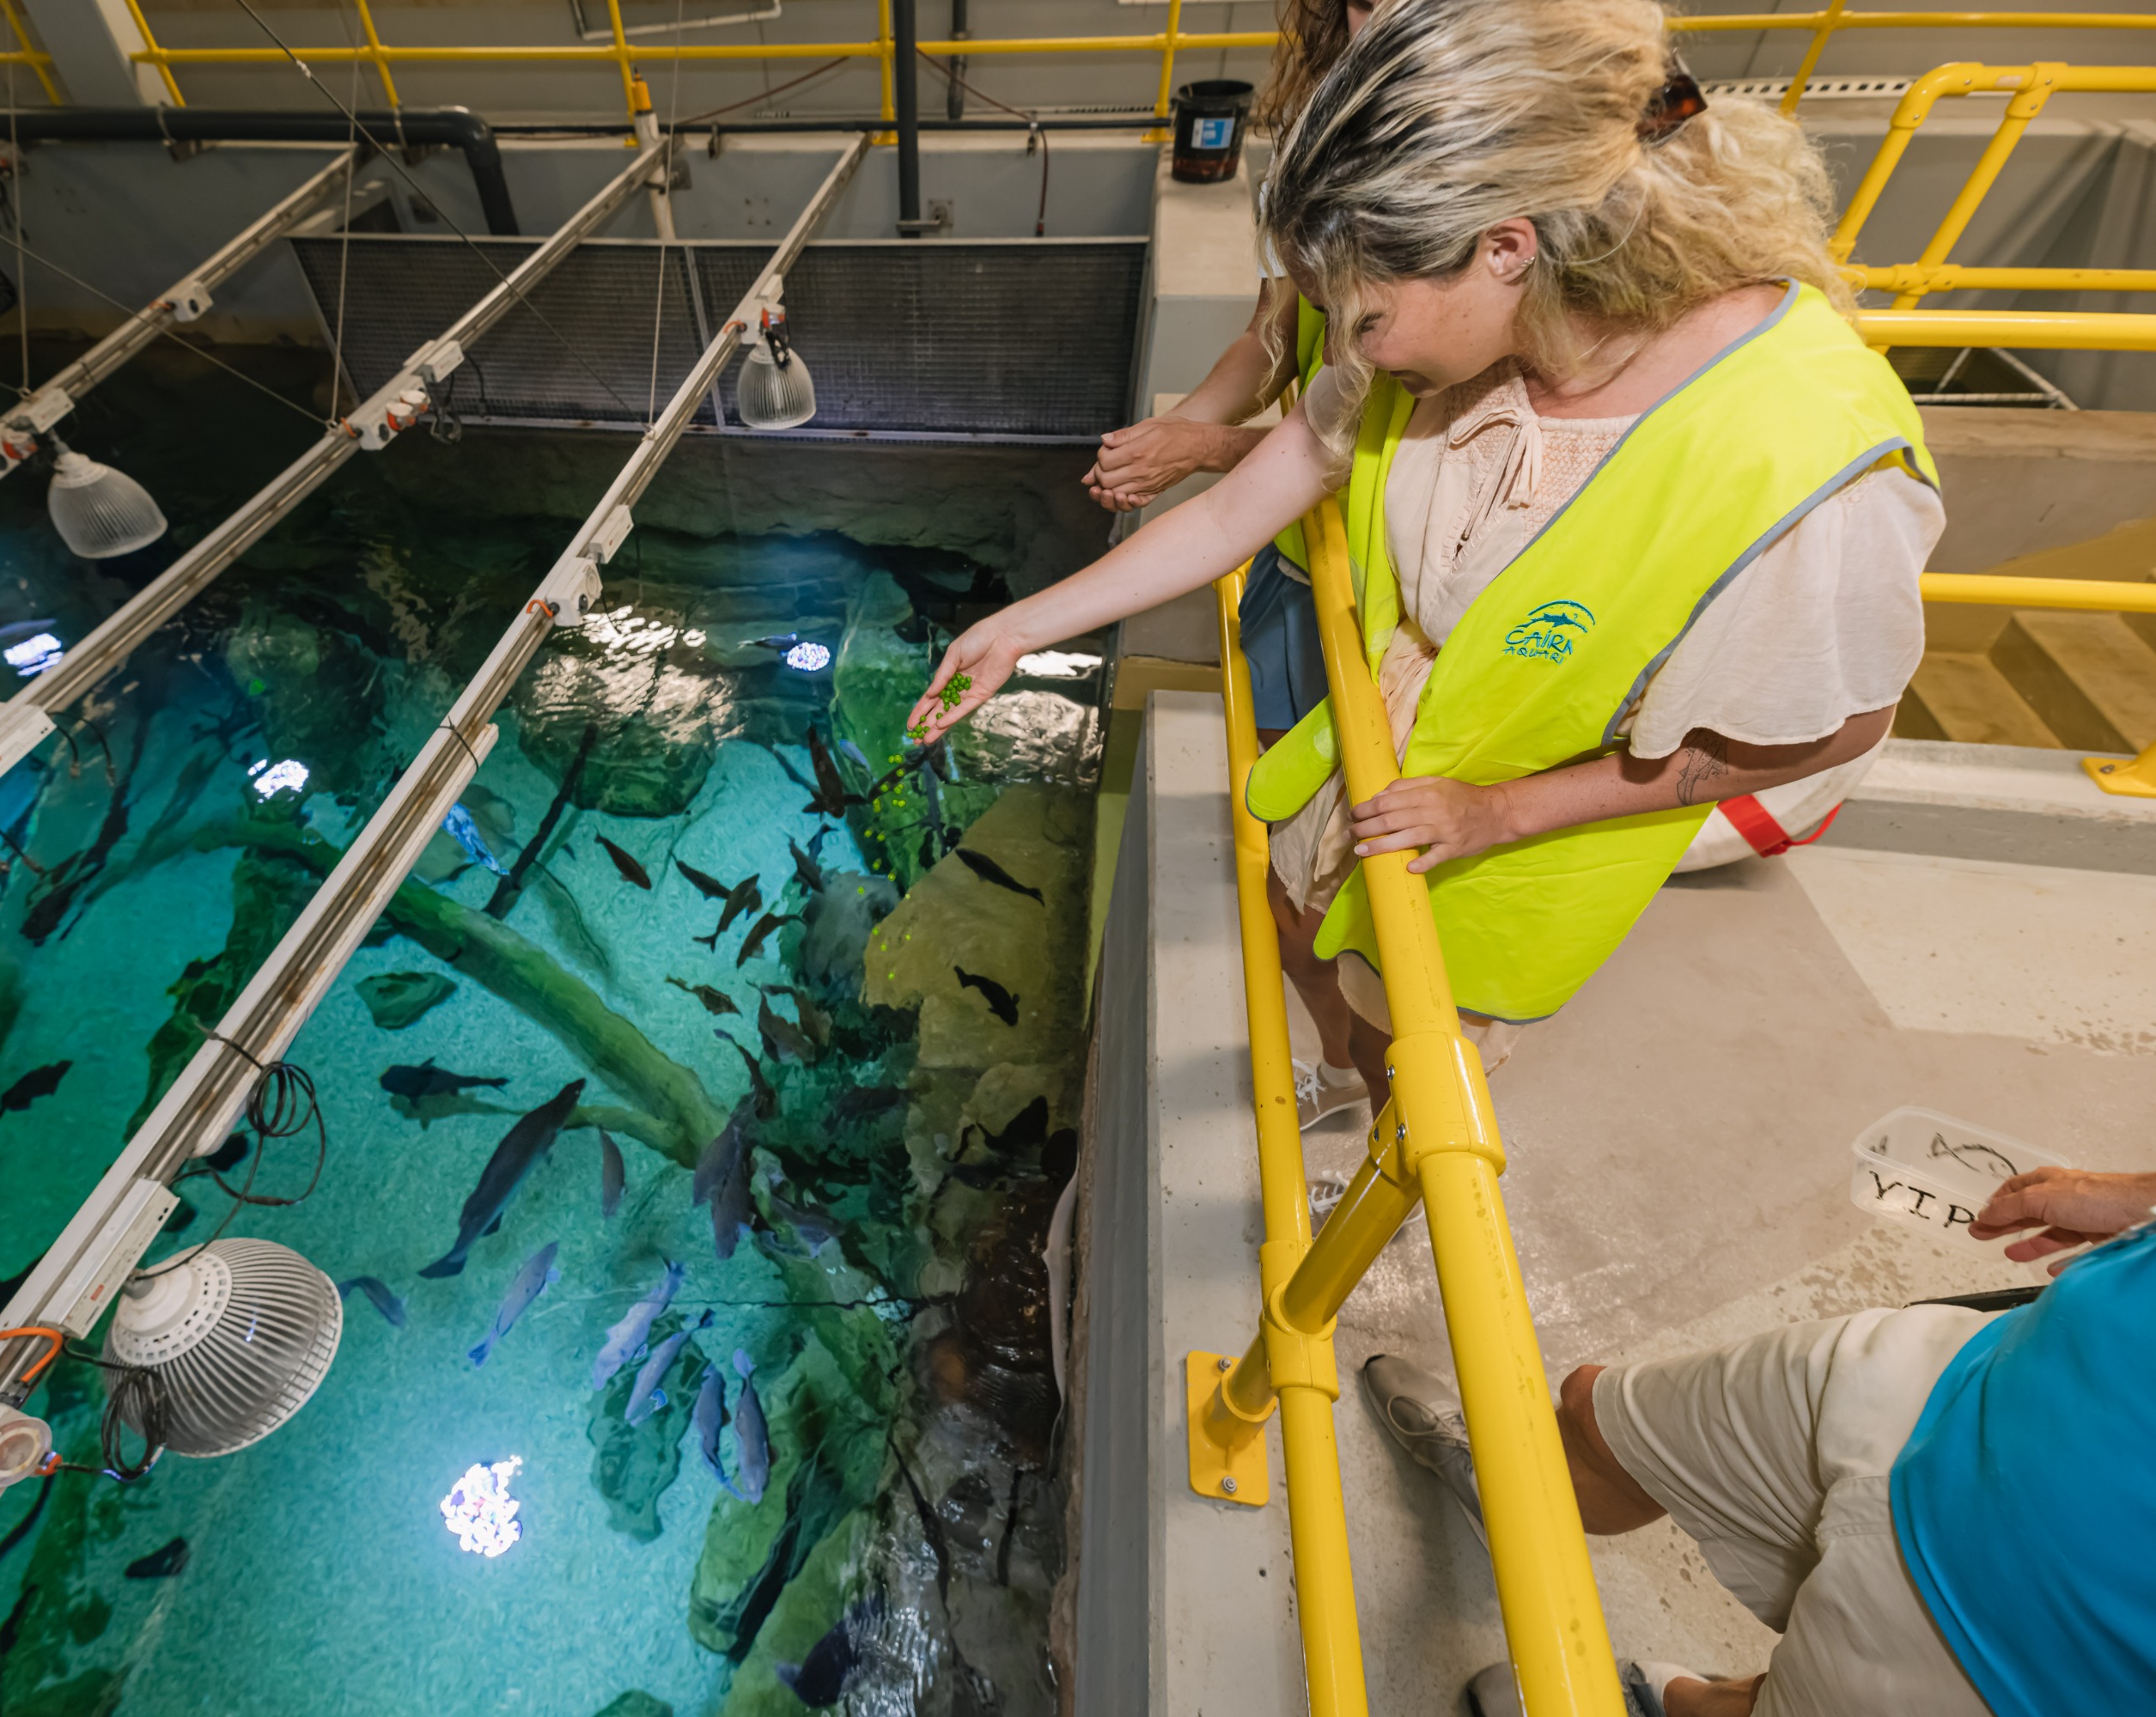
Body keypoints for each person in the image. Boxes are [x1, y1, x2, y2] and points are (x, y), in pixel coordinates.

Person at [909, 0, 1940, 1111]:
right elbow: (1232, 512)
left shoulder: (1807, 470)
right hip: (1379, 751)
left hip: (1520, 833)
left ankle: (1385, 1156)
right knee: (1309, 943)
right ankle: (1342, 1072)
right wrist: (1018, 626)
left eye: (1367, 316)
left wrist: (1500, 814)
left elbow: (1838, 728)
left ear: (1505, 247)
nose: (1347, 348)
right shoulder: (1479, 327)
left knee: (1426, 1052)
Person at [1366, 1163, 2156, 1717]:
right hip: (1988, 1373)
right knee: (1591, 1418)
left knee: (1783, 1693)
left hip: (2027, 1650)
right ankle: (1502, 1483)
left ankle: (1686, 1704)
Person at [1084, 0, 1381, 1132]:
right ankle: (1343, 1064)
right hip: (1292, 578)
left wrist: (1206, 448)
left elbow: (1386, 446)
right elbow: (1270, 341)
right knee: (1287, 875)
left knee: (1332, 907)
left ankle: (1377, 1080)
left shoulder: (1458, 204)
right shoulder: (1303, 145)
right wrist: (1176, 440)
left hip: (1379, 603)